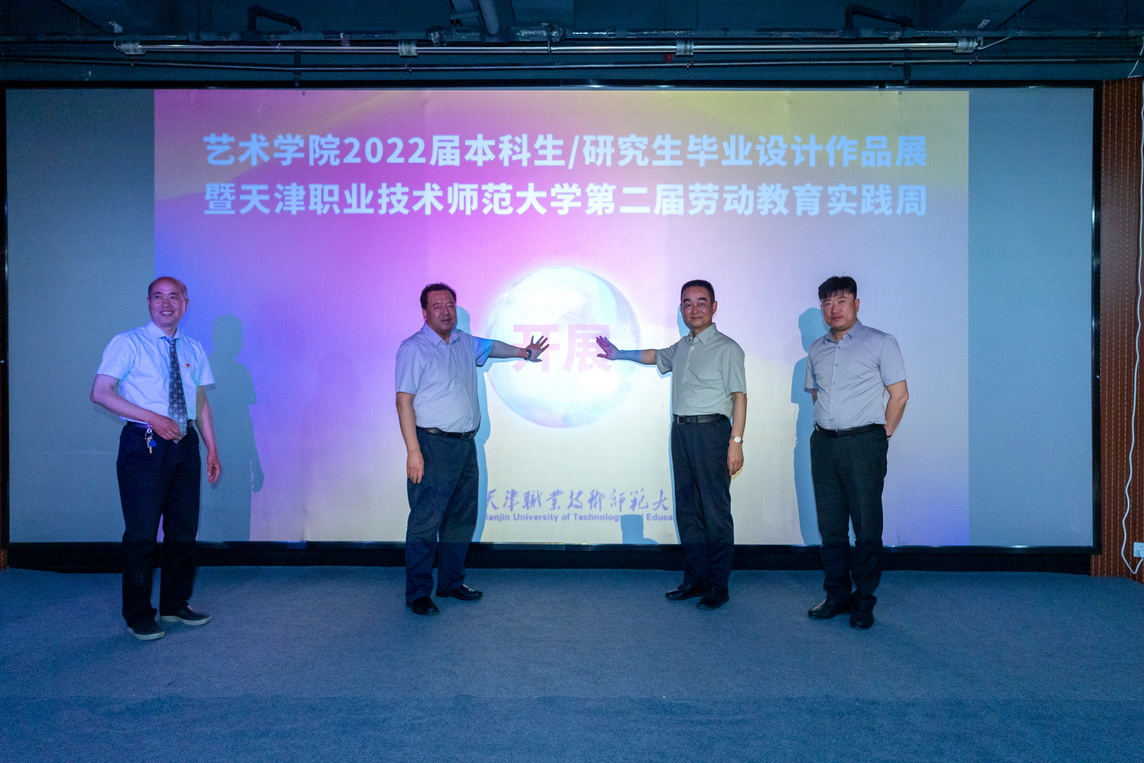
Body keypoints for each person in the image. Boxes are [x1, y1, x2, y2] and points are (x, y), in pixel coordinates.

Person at [395, 283, 548, 616]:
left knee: (461, 519)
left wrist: (525, 352)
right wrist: (413, 451)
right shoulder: (414, 348)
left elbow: (493, 347)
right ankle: (418, 592)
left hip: (465, 445)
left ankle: (451, 582)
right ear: (424, 312)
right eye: (437, 306)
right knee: (425, 521)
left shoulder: (464, 341)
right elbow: (403, 401)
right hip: (433, 445)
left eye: (450, 305)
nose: (445, 311)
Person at [596, 279, 747, 610]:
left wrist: (736, 442)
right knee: (688, 509)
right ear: (681, 309)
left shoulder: (727, 348)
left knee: (715, 512)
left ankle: (718, 586)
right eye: (687, 303)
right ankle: (695, 579)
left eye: (701, 302)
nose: (694, 308)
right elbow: (655, 356)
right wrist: (619, 354)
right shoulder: (682, 346)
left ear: (714, 307)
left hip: (712, 433)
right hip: (681, 432)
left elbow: (740, 397)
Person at [90, 277, 222, 640]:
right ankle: (138, 614)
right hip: (144, 444)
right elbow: (100, 392)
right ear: (148, 303)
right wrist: (152, 418)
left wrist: (211, 447)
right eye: (158, 297)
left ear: (185, 304)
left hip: (184, 444)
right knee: (142, 535)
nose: (166, 303)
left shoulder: (193, 347)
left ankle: (175, 604)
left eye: (174, 297)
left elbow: (199, 400)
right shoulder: (128, 342)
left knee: (183, 532)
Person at [804, 275, 908, 630]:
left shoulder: (880, 342)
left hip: (864, 444)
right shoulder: (816, 349)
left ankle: (864, 600)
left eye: (841, 301)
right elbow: (816, 394)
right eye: (827, 303)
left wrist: (882, 436)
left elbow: (899, 395)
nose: (834, 309)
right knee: (831, 527)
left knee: (866, 527)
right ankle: (837, 595)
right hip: (823, 444)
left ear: (856, 304)